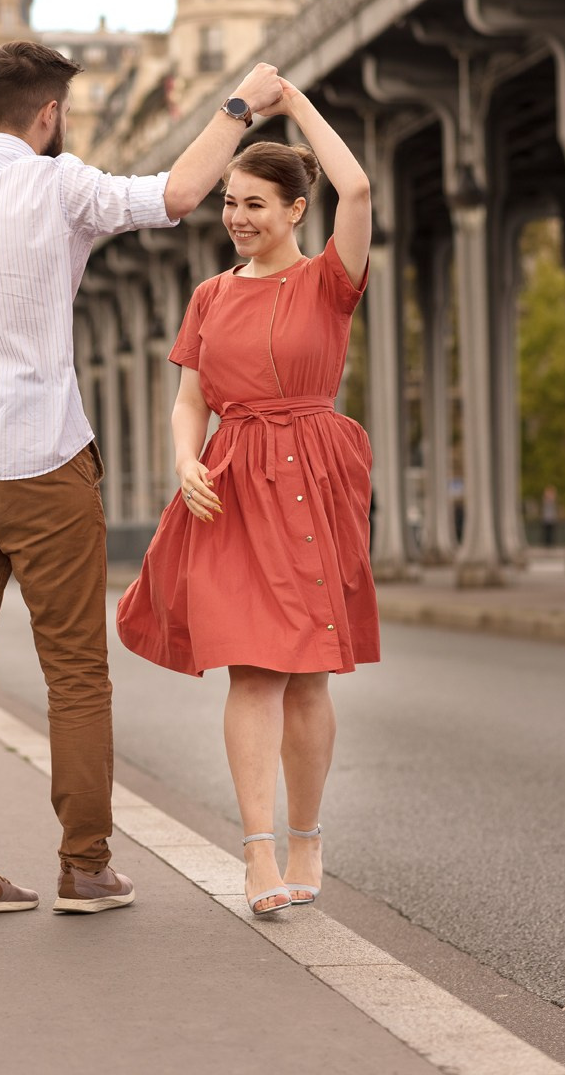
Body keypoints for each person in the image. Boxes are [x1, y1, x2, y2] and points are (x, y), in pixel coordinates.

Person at [0, 39, 281, 919]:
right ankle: (86, 869)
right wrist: (240, 109)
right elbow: (179, 193)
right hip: (44, 463)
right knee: (75, 674)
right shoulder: (61, 185)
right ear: (49, 114)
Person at [117, 79, 378, 918]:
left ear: (298, 210)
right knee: (255, 670)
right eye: (229, 202)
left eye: (256, 203)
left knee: (308, 679)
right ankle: (258, 854)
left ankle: (308, 837)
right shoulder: (210, 294)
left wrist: (293, 104)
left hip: (316, 475)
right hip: (232, 486)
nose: (236, 216)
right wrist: (184, 461)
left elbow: (362, 188)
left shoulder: (332, 281)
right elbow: (190, 397)